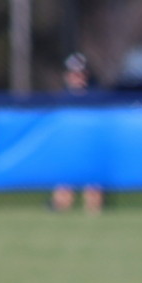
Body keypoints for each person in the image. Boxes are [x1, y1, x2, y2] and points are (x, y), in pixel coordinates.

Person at [51, 53, 103, 214]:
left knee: (93, 188)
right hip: (68, 147)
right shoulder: (61, 100)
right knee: (64, 187)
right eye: (74, 74)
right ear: (67, 76)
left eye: (81, 74)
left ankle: (94, 217)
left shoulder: (95, 99)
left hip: (89, 147)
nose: (78, 78)